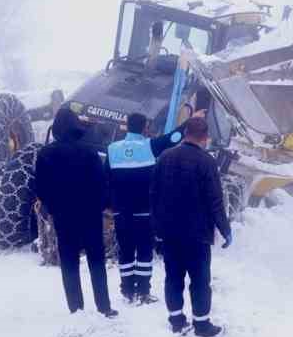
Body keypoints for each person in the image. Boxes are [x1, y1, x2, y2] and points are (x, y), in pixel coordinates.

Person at [33, 107, 118, 317]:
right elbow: (101, 183)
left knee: (69, 261)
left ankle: (75, 307)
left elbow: (41, 187)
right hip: (90, 214)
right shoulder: (89, 152)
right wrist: (101, 206)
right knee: (96, 260)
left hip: (63, 216)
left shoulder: (46, 154)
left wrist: (52, 208)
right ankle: (104, 306)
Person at [151, 115, 231, 337]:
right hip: (198, 234)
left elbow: (154, 195)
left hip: (169, 232)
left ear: (185, 134)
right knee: (200, 280)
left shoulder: (165, 157)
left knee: (173, 277)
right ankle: (202, 325)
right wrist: (225, 230)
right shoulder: (207, 162)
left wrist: (156, 230)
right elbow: (215, 200)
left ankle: (176, 321)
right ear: (205, 137)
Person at [106, 110, 190, 304]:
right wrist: (192, 121)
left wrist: (109, 204)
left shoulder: (112, 149)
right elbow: (174, 138)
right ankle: (143, 291)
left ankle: (127, 290)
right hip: (144, 211)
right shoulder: (150, 146)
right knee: (144, 250)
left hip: (121, 211)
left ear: (126, 126)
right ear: (145, 128)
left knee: (126, 250)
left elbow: (106, 179)